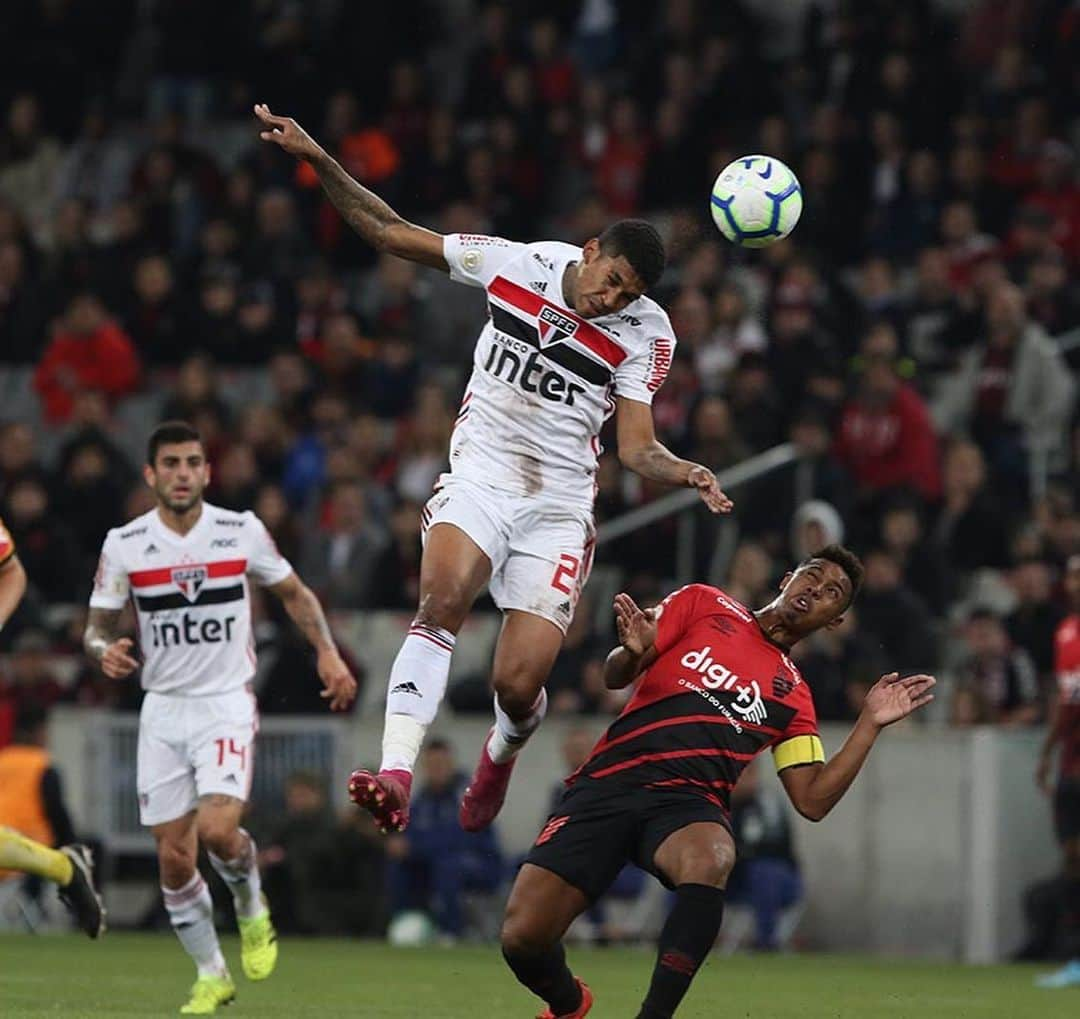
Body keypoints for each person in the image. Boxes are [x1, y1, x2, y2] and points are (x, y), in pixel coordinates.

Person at [255, 103, 732, 836]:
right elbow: (389, 231)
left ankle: (502, 751)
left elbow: (635, 447)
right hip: (480, 474)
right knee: (441, 600)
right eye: (611, 279)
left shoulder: (648, 334)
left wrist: (684, 469)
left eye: (629, 293)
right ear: (592, 246)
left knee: (517, 683)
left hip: (558, 507)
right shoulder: (519, 262)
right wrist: (320, 159)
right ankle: (396, 772)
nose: (612, 299)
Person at [501, 546, 935, 1018]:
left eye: (834, 593)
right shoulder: (704, 604)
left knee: (712, 857)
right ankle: (569, 1004)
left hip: (686, 804)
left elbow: (812, 799)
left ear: (835, 620)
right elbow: (613, 675)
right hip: (609, 782)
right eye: (813, 575)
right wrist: (633, 652)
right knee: (523, 940)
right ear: (788, 577)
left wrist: (867, 725)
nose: (817, 590)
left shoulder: (793, 697)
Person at [82, 421, 357, 1015]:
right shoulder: (124, 543)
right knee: (173, 858)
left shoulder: (240, 530)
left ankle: (251, 902)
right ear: (152, 475)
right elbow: (95, 629)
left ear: (208, 472)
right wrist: (106, 652)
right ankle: (211, 973)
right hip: (162, 711)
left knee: (215, 832)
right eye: (171, 464)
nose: (183, 473)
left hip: (224, 703)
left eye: (193, 463)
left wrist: (328, 652)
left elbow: (295, 594)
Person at [384, 739, 504, 940]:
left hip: (478, 860)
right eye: (431, 765)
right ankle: (404, 922)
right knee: (398, 866)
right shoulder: (422, 800)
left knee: (448, 866)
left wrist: (413, 847)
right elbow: (408, 833)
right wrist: (399, 844)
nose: (436, 770)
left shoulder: (468, 795)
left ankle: (450, 932)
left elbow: (458, 839)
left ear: (451, 765)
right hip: (433, 860)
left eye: (441, 764)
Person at [1034, 554, 1080, 988]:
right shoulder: (1067, 632)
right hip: (1073, 763)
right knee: (1071, 861)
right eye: (1071, 575)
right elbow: (1067, 701)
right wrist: (1051, 753)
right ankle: (1074, 959)